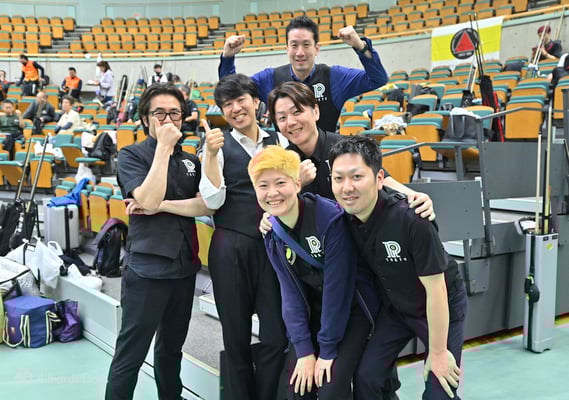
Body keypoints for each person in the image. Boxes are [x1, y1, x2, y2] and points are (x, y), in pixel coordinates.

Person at [329, 135, 468, 400]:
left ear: (379, 178)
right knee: (367, 379)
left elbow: (436, 289)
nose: (347, 187)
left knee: (439, 392)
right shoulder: (343, 219)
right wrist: (271, 218)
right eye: (339, 178)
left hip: (440, 306)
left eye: (357, 177)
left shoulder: (413, 219)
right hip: (397, 308)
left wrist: (438, 352)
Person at [248, 145, 383, 399]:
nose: (272, 193)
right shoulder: (272, 233)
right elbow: (290, 294)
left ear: (298, 184)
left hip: (354, 311)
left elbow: (337, 291)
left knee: (330, 388)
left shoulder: (329, 219)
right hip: (316, 314)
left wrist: (327, 350)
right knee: (297, 390)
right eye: (263, 186)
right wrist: (304, 351)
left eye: (280, 183)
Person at [105, 83, 211, 400]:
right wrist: (163, 148)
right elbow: (146, 197)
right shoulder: (131, 155)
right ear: (145, 118)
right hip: (146, 270)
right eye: (159, 113)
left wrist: (162, 206)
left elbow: (204, 206)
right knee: (131, 354)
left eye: (175, 113)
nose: (168, 120)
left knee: (171, 350)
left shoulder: (191, 160)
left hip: (184, 267)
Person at [199, 73, 288, 400]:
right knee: (235, 338)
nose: (236, 108)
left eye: (241, 100)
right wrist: (210, 155)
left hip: (273, 248)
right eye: (227, 104)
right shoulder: (217, 146)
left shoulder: (279, 140)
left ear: (256, 102)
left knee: (277, 336)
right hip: (230, 247)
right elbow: (212, 200)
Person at [267, 81, 434, 218]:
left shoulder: (345, 146)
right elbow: (275, 205)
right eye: (282, 118)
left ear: (316, 112)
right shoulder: (282, 161)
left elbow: (381, 179)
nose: (290, 122)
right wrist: (297, 185)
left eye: (297, 112)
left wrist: (414, 195)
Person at [219, 16, 388, 132]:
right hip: (285, 163)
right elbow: (232, 90)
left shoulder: (334, 77)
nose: (300, 52)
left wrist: (360, 46)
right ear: (287, 49)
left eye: (306, 45)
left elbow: (377, 79)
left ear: (317, 48)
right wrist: (228, 57)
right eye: (294, 45)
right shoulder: (270, 78)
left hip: (325, 159)